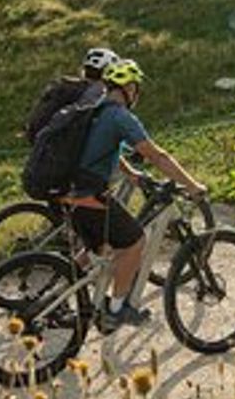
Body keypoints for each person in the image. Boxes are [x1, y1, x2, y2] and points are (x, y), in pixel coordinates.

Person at [62, 58, 206, 331]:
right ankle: (116, 310)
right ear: (128, 87)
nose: (136, 93)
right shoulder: (120, 116)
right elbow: (156, 155)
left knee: (97, 248)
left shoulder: (93, 111)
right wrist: (191, 184)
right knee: (135, 242)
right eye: (135, 87)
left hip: (70, 193)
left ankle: (57, 295)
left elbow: (105, 151)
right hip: (90, 196)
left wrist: (131, 174)